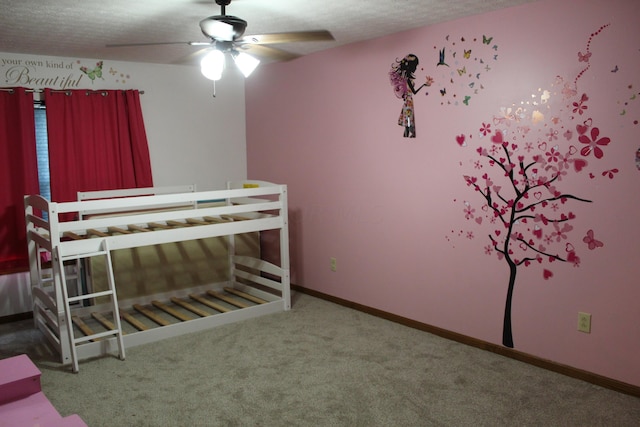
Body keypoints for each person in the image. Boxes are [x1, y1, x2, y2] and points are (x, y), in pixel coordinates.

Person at [389, 54, 431, 138]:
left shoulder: (406, 79)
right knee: (408, 120)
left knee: (407, 120)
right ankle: (409, 133)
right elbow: (414, 92)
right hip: (408, 102)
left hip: (407, 102)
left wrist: (423, 85)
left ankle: (408, 134)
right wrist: (423, 85)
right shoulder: (408, 79)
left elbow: (412, 92)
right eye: (415, 66)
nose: (415, 68)